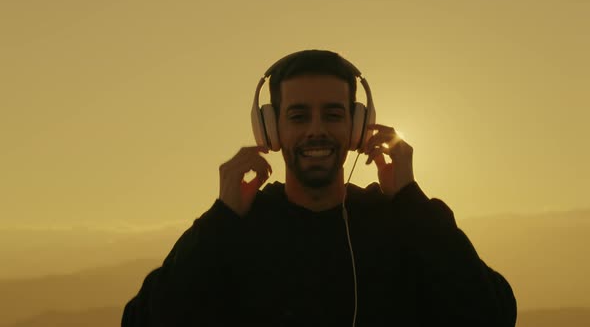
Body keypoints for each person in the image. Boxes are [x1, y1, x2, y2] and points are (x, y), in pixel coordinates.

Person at [122, 50, 517, 327]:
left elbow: (493, 314)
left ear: (357, 127)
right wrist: (219, 221)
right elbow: (143, 321)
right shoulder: (235, 230)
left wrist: (410, 201)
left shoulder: (404, 224)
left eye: (333, 114)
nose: (316, 129)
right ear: (271, 129)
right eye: (298, 115)